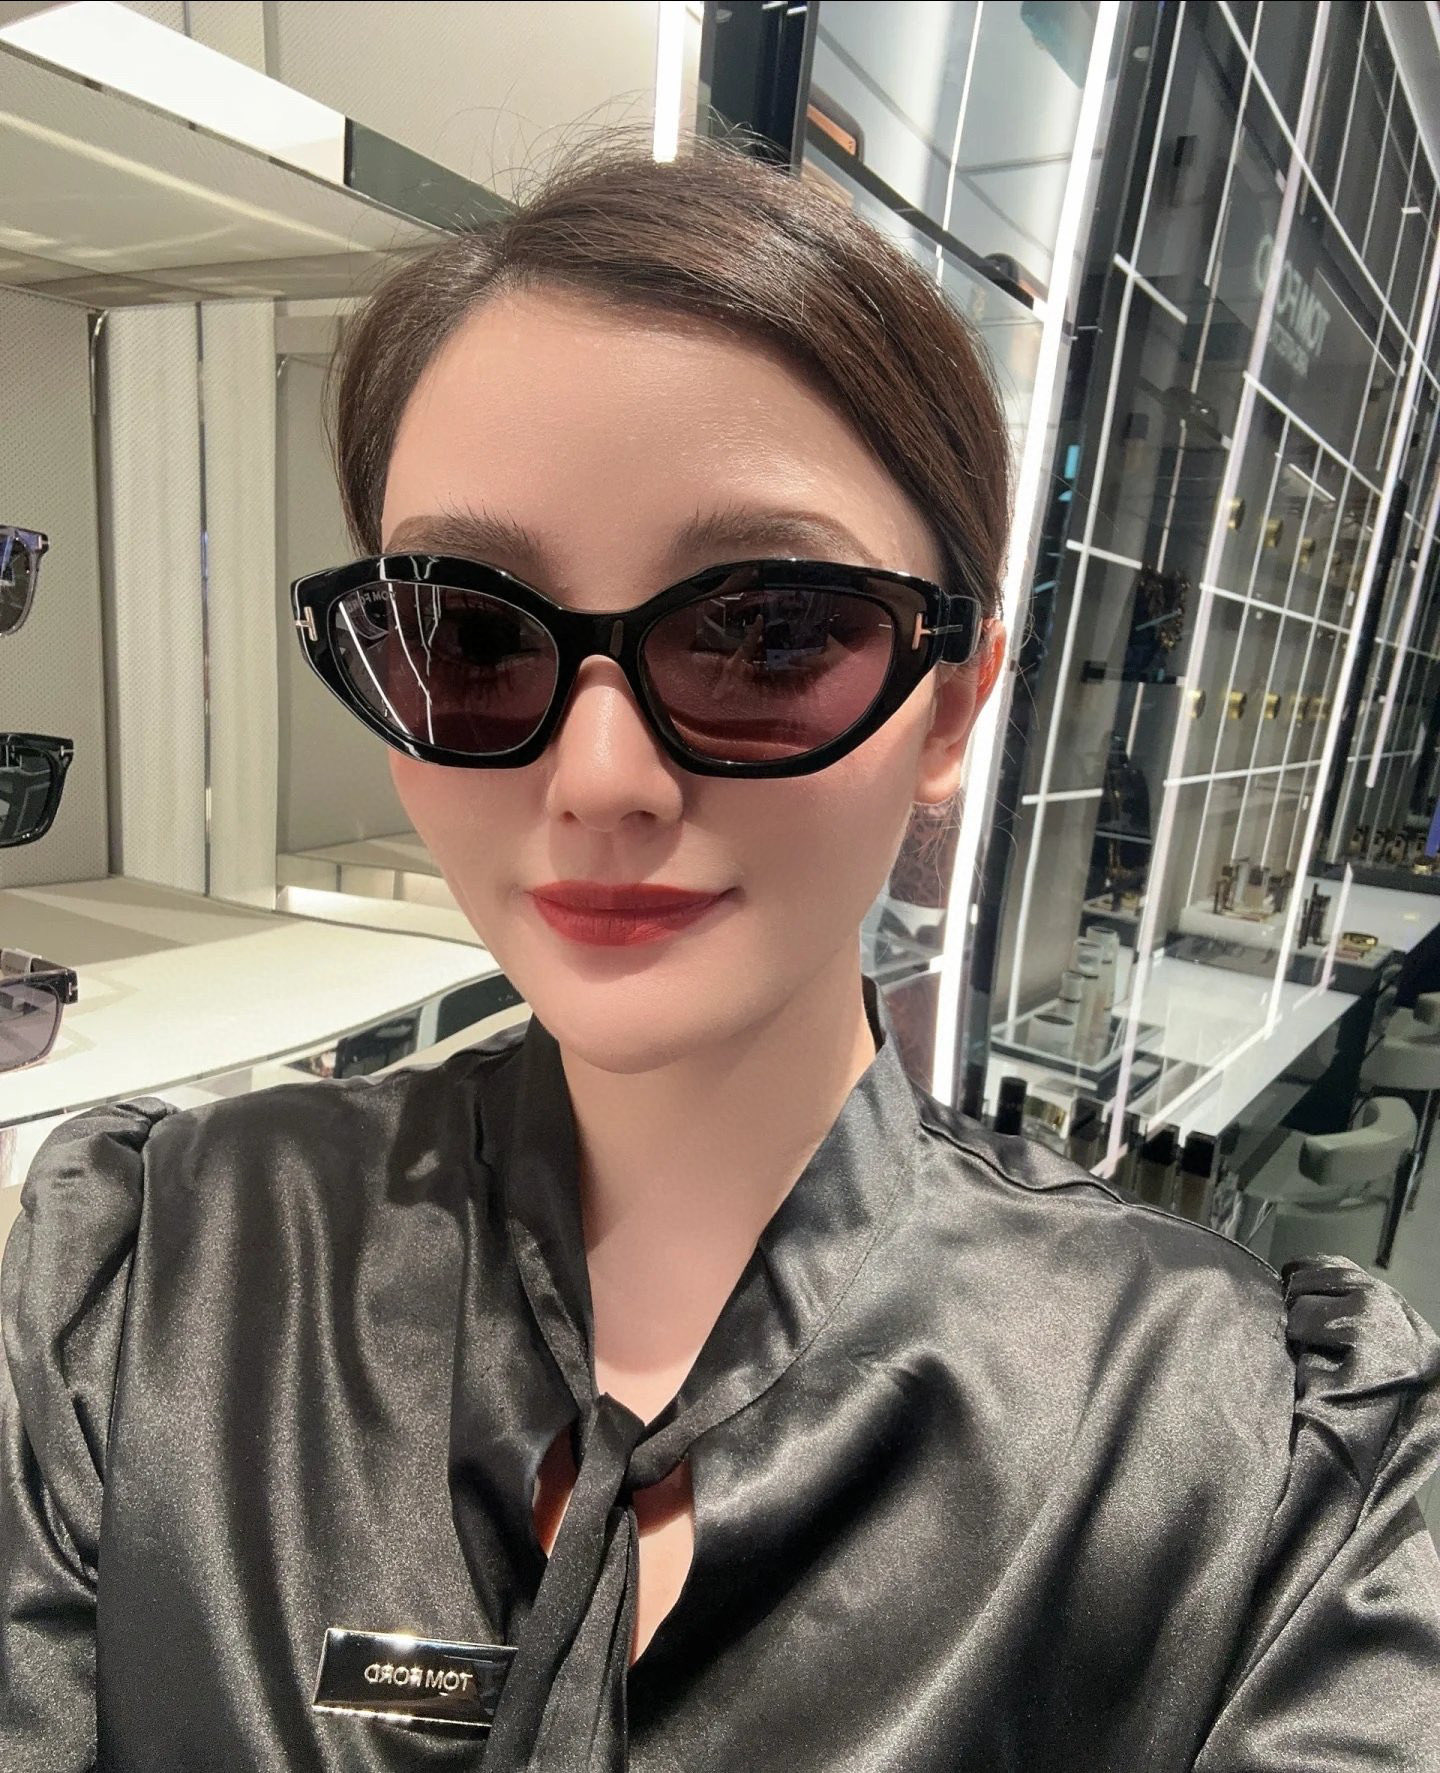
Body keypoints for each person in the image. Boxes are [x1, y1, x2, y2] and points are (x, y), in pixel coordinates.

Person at [2, 132, 1438, 1773]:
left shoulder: (1245, 1469)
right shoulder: (158, 1282)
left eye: (767, 633)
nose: (602, 780)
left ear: (950, 706)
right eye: (471, 634)